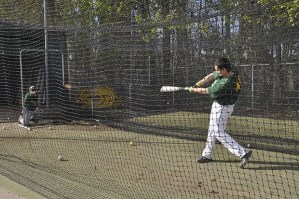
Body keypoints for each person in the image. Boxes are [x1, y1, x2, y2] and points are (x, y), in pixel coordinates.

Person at [189, 57, 252, 169]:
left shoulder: (224, 85)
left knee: (218, 132)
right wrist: (197, 84)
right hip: (220, 104)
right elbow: (211, 76)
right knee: (212, 130)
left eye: (218, 70)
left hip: (223, 107)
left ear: (224, 70)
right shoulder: (231, 70)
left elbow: (206, 91)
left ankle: (243, 153)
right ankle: (207, 154)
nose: (217, 72)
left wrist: (193, 90)